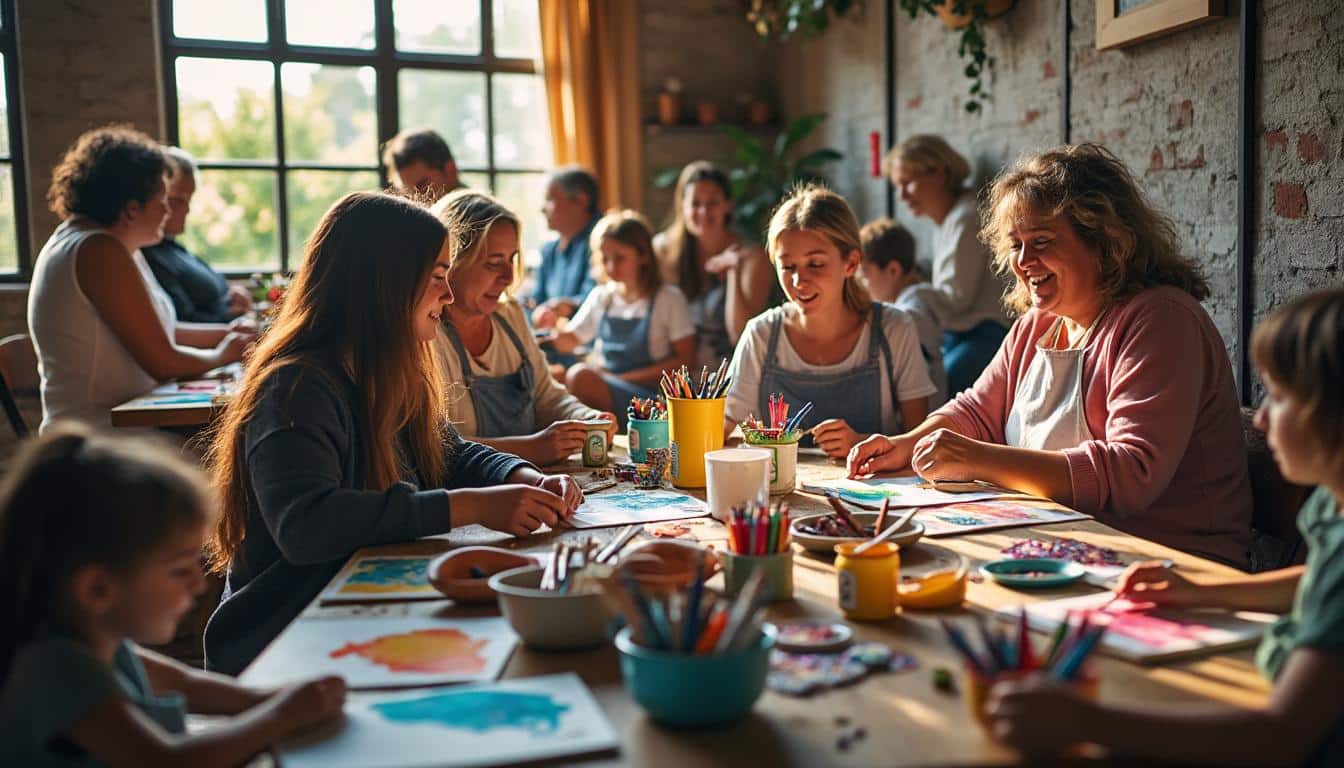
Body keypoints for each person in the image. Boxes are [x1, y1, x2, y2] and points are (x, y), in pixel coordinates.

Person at [202, 192, 582, 675]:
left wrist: (524, 475)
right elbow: (308, 527)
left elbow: (451, 453)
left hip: (359, 607)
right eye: (439, 278)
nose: (447, 297)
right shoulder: (294, 387)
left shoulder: (387, 371)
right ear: (385, 287)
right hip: (283, 636)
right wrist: (471, 506)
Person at [987, 287, 1344, 766]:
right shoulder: (1331, 502)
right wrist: (1200, 591)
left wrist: (1086, 721)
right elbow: (1316, 581)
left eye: (1279, 398)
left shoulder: (1161, 318)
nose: (1259, 417)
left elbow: (1281, 737)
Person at [850, 144, 1252, 568]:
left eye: (1041, 241)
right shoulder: (1039, 323)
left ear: (1105, 240)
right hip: (1069, 543)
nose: (1024, 262)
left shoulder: (1160, 320)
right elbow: (978, 410)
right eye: (1016, 245)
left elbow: (1131, 474)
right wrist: (905, 444)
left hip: (1173, 563)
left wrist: (978, 459)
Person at [0, 424, 345, 767]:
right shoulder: (57, 669)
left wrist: (275, 698)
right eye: (179, 570)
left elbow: (187, 684)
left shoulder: (104, 643)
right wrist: (282, 715)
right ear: (97, 589)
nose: (199, 584)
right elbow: (167, 761)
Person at [28, 126, 253, 431]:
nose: (166, 209)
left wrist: (231, 334)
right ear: (132, 209)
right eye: (163, 198)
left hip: (128, 424)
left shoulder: (112, 244)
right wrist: (221, 353)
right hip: (98, 437)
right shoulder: (98, 251)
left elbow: (163, 331)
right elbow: (164, 363)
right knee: (244, 434)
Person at [724, 185, 935, 459]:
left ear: (851, 263)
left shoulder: (893, 328)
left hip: (871, 492)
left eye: (816, 264)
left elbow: (919, 439)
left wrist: (860, 442)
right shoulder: (762, 334)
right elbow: (725, 426)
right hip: (784, 494)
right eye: (787, 267)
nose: (799, 282)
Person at [430, 189, 616, 466]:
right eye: (493, 263)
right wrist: (531, 449)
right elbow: (437, 447)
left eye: (512, 260)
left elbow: (546, 396)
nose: (507, 277)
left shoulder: (511, 316)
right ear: (451, 263)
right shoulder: (428, 334)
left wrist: (586, 420)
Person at [548, 209, 696, 430]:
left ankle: (602, 432)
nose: (610, 267)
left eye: (619, 258)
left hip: (650, 398)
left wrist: (623, 377)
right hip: (607, 382)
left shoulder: (668, 299)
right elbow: (572, 338)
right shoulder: (603, 296)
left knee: (580, 377)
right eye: (605, 259)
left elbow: (686, 361)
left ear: (643, 255)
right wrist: (548, 327)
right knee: (555, 378)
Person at [886, 135, 1009, 395]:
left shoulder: (967, 218)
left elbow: (958, 299)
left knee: (935, 386)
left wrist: (910, 293)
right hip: (960, 333)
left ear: (941, 174)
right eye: (898, 186)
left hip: (988, 333)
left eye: (908, 183)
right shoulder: (946, 222)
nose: (901, 195)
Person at [654, 161, 774, 369]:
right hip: (671, 376)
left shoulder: (752, 258)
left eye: (713, 203)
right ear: (682, 206)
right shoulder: (663, 251)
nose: (703, 211)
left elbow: (741, 336)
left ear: (728, 205)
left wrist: (733, 272)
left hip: (728, 377)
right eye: (695, 203)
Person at [143, 147, 254, 323]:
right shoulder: (150, 256)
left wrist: (233, 293)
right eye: (177, 200)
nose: (187, 209)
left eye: (189, 200)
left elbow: (216, 286)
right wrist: (228, 317)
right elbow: (182, 320)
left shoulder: (174, 248)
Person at [860, 216, 947, 405]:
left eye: (865, 272)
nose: (861, 283)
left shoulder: (908, 317)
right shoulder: (921, 303)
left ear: (893, 271)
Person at [529, 167, 601, 330]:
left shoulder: (606, 244)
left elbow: (598, 300)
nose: (542, 209)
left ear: (580, 200)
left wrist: (567, 307)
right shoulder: (549, 250)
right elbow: (536, 300)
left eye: (550, 199)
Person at [381, 129, 464, 200]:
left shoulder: (474, 214)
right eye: (407, 193)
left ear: (450, 170)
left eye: (423, 187)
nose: (415, 199)